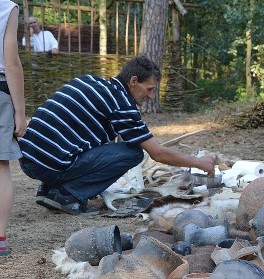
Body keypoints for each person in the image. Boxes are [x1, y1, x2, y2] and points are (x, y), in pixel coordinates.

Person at [17, 55, 216, 215]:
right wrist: (199, 162)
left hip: (27, 158)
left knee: (92, 144)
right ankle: (67, 195)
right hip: (47, 165)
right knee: (134, 154)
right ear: (133, 81)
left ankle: (50, 189)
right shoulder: (121, 104)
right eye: (149, 89)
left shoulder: (90, 81)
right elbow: (158, 154)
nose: (150, 96)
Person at [0, 0, 27, 257]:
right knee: (1, 168)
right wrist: (20, 111)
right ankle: (0, 240)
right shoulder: (7, 7)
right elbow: (11, 62)